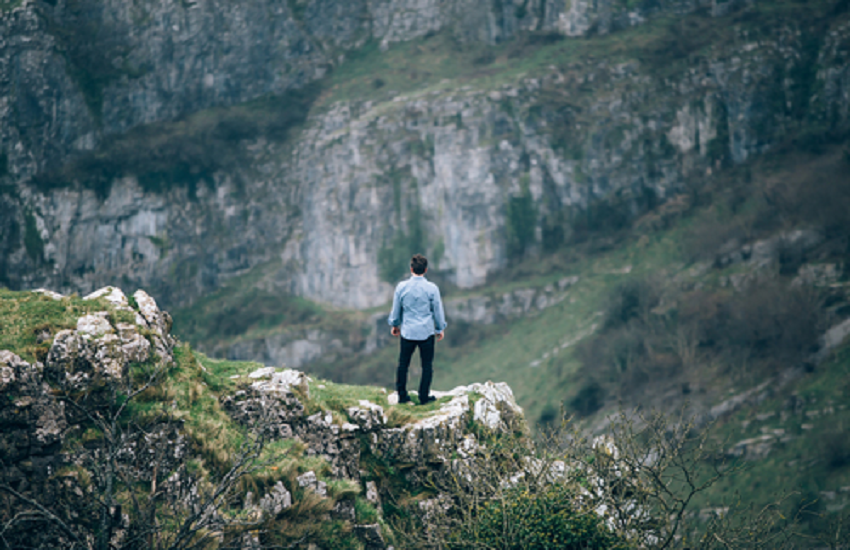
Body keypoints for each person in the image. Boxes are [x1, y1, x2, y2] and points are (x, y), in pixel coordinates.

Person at [387, 254, 447, 405]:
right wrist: (440, 328)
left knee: (403, 365)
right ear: (426, 270)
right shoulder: (432, 289)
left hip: (407, 332)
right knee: (426, 366)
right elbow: (437, 310)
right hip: (426, 332)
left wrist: (395, 325)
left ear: (411, 269)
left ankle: (402, 396)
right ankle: (424, 397)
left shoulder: (401, 287)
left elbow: (396, 309)